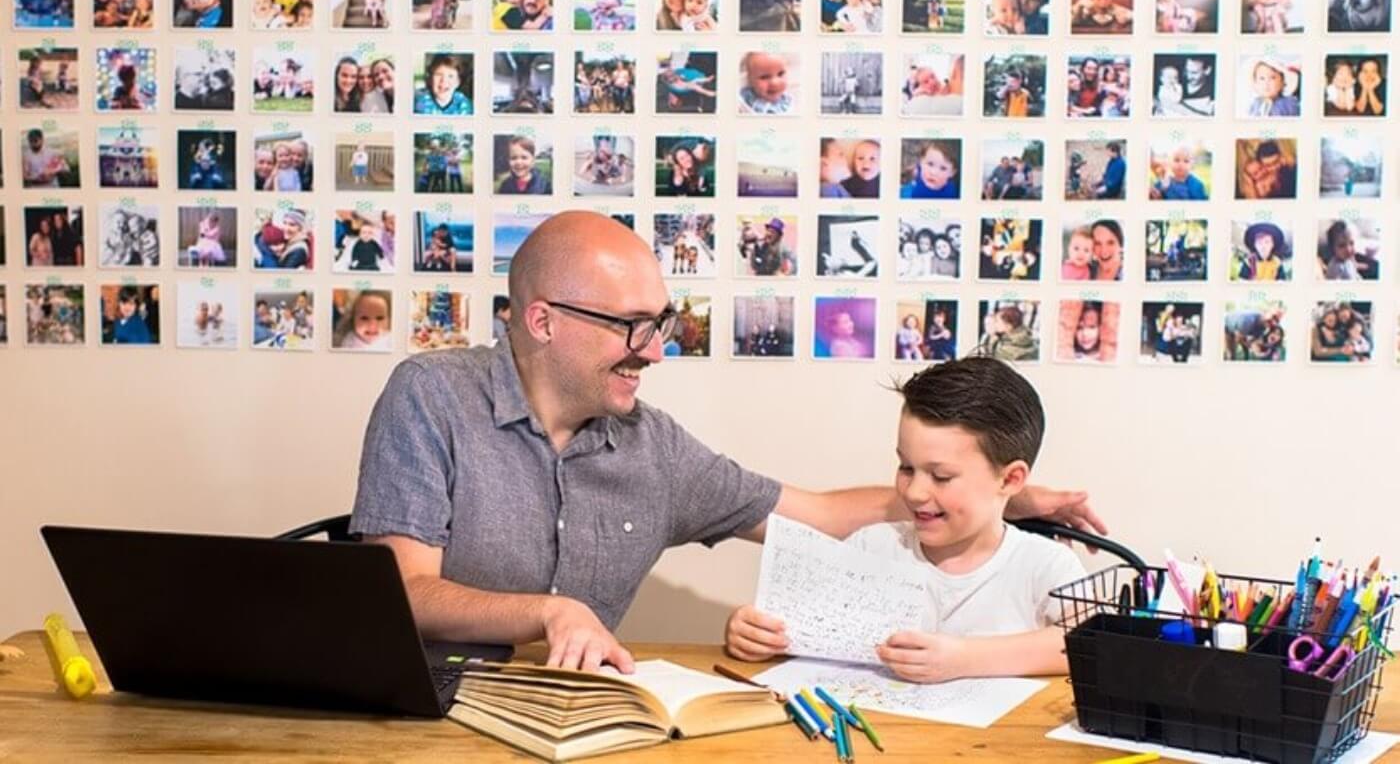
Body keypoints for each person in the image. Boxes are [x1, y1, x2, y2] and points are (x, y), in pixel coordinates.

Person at [348, 212, 1103, 671]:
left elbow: (816, 515)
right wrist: (547, 611)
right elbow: (401, 594)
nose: (654, 350)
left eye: (663, 324)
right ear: (544, 322)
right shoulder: (432, 396)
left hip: (579, 717)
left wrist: (992, 497)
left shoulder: (654, 448)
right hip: (428, 708)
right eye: (631, 327)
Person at [726, 356, 1084, 679]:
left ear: (1010, 479)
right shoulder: (872, 548)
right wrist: (755, 634)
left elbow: (1091, 644)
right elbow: (794, 628)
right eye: (906, 467)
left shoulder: (1045, 566)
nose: (913, 492)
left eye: (941, 476)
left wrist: (965, 659)